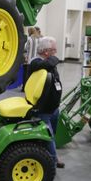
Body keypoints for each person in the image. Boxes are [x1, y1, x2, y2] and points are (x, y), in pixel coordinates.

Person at [29, 36, 64, 169]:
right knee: (48, 136)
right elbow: (48, 63)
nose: (56, 52)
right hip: (43, 109)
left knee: (52, 134)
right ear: (46, 51)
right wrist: (54, 59)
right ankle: (52, 162)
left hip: (53, 108)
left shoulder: (48, 62)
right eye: (54, 50)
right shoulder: (36, 63)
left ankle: (51, 156)